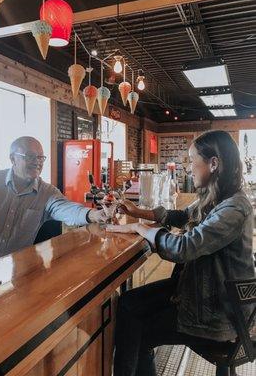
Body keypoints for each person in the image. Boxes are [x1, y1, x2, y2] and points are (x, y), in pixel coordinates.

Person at [106, 130, 255, 376]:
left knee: (139, 332)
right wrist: (138, 212)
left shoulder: (234, 208)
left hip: (217, 312)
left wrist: (139, 228)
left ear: (213, 163)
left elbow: (184, 248)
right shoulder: (217, 197)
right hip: (203, 293)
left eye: (192, 159)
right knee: (128, 303)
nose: (188, 168)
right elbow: (182, 216)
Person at [0, 136, 106, 261]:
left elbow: (66, 209)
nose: (37, 161)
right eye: (30, 156)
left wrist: (93, 214)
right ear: (12, 159)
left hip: (14, 273)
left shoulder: (47, 192)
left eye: (41, 157)